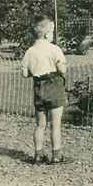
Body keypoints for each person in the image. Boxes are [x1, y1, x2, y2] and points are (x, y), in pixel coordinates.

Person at [21, 16, 69, 164]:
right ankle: (56, 155)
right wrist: (62, 68)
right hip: (54, 86)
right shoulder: (54, 49)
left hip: (38, 88)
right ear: (47, 34)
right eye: (52, 32)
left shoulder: (29, 51)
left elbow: (24, 74)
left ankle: (38, 155)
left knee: (40, 125)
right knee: (55, 124)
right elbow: (62, 69)